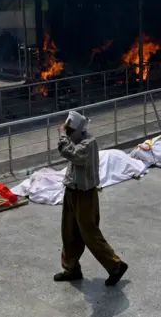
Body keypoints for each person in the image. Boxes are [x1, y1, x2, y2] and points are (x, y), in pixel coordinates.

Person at [54, 110, 128, 286]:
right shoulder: (77, 141)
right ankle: (71, 268)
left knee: (90, 233)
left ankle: (115, 265)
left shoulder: (88, 143)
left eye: (70, 131)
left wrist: (63, 136)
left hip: (85, 194)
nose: (68, 135)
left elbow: (71, 154)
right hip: (72, 190)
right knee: (69, 231)